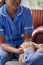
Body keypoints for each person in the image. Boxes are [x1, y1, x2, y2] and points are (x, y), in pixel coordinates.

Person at [0, 0, 34, 65]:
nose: (18, 1)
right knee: (3, 56)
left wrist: (23, 48)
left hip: (23, 45)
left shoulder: (26, 12)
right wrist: (17, 51)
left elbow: (28, 38)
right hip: (6, 46)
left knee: (28, 58)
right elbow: (2, 43)